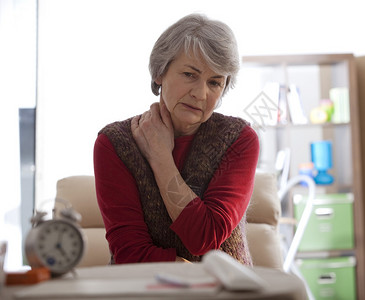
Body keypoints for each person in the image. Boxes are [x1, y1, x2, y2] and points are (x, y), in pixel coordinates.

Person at [93, 13, 259, 265]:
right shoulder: (114, 144)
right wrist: (192, 274)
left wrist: (160, 158)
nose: (201, 94)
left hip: (225, 291)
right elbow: (130, 254)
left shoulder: (239, 140)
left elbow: (205, 237)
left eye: (214, 82)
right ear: (160, 73)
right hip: (146, 291)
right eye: (190, 75)